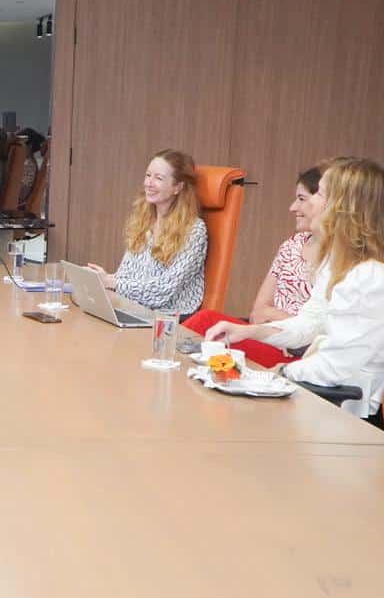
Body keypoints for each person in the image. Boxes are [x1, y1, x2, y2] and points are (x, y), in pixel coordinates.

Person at [206, 157, 384, 418]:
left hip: (346, 413)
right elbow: (308, 323)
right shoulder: (338, 263)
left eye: (319, 194)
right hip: (320, 397)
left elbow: (334, 367)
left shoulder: (370, 276)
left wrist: (278, 373)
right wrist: (249, 331)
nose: (308, 203)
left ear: (344, 208)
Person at [182, 165, 326, 368]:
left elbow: (319, 329)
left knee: (207, 324)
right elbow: (258, 312)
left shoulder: (342, 260)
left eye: (302, 199)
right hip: (266, 336)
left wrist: (276, 320)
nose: (293, 207)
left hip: (297, 354)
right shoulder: (292, 245)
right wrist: (278, 322)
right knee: (206, 327)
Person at [86, 149, 208, 313]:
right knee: (88, 299)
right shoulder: (143, 221)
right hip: (137, 306)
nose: (149, 183)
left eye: (158, 178)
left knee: (99, 304)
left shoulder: (194, 230)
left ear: (178, 187)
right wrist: (102, 278)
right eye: (148, 175)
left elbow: (164, 289)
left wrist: (111, 282)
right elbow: (126, 276)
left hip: (170, 315)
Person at [14, 127, 47, 206]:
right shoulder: (26, 163)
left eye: (18, 145)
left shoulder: (29, 165)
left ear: (29, 146)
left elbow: (22, 194)